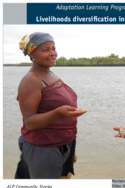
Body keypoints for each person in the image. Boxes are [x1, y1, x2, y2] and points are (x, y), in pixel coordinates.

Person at [16, 32, 87, 179]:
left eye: (53, 48)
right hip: (43, 148)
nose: (52, 53)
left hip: (62, 144)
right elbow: (30, 122)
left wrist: (69, 149)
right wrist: (58, 113)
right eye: (45, 49)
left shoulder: (49, 74)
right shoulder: (31, 80)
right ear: (32, 54)